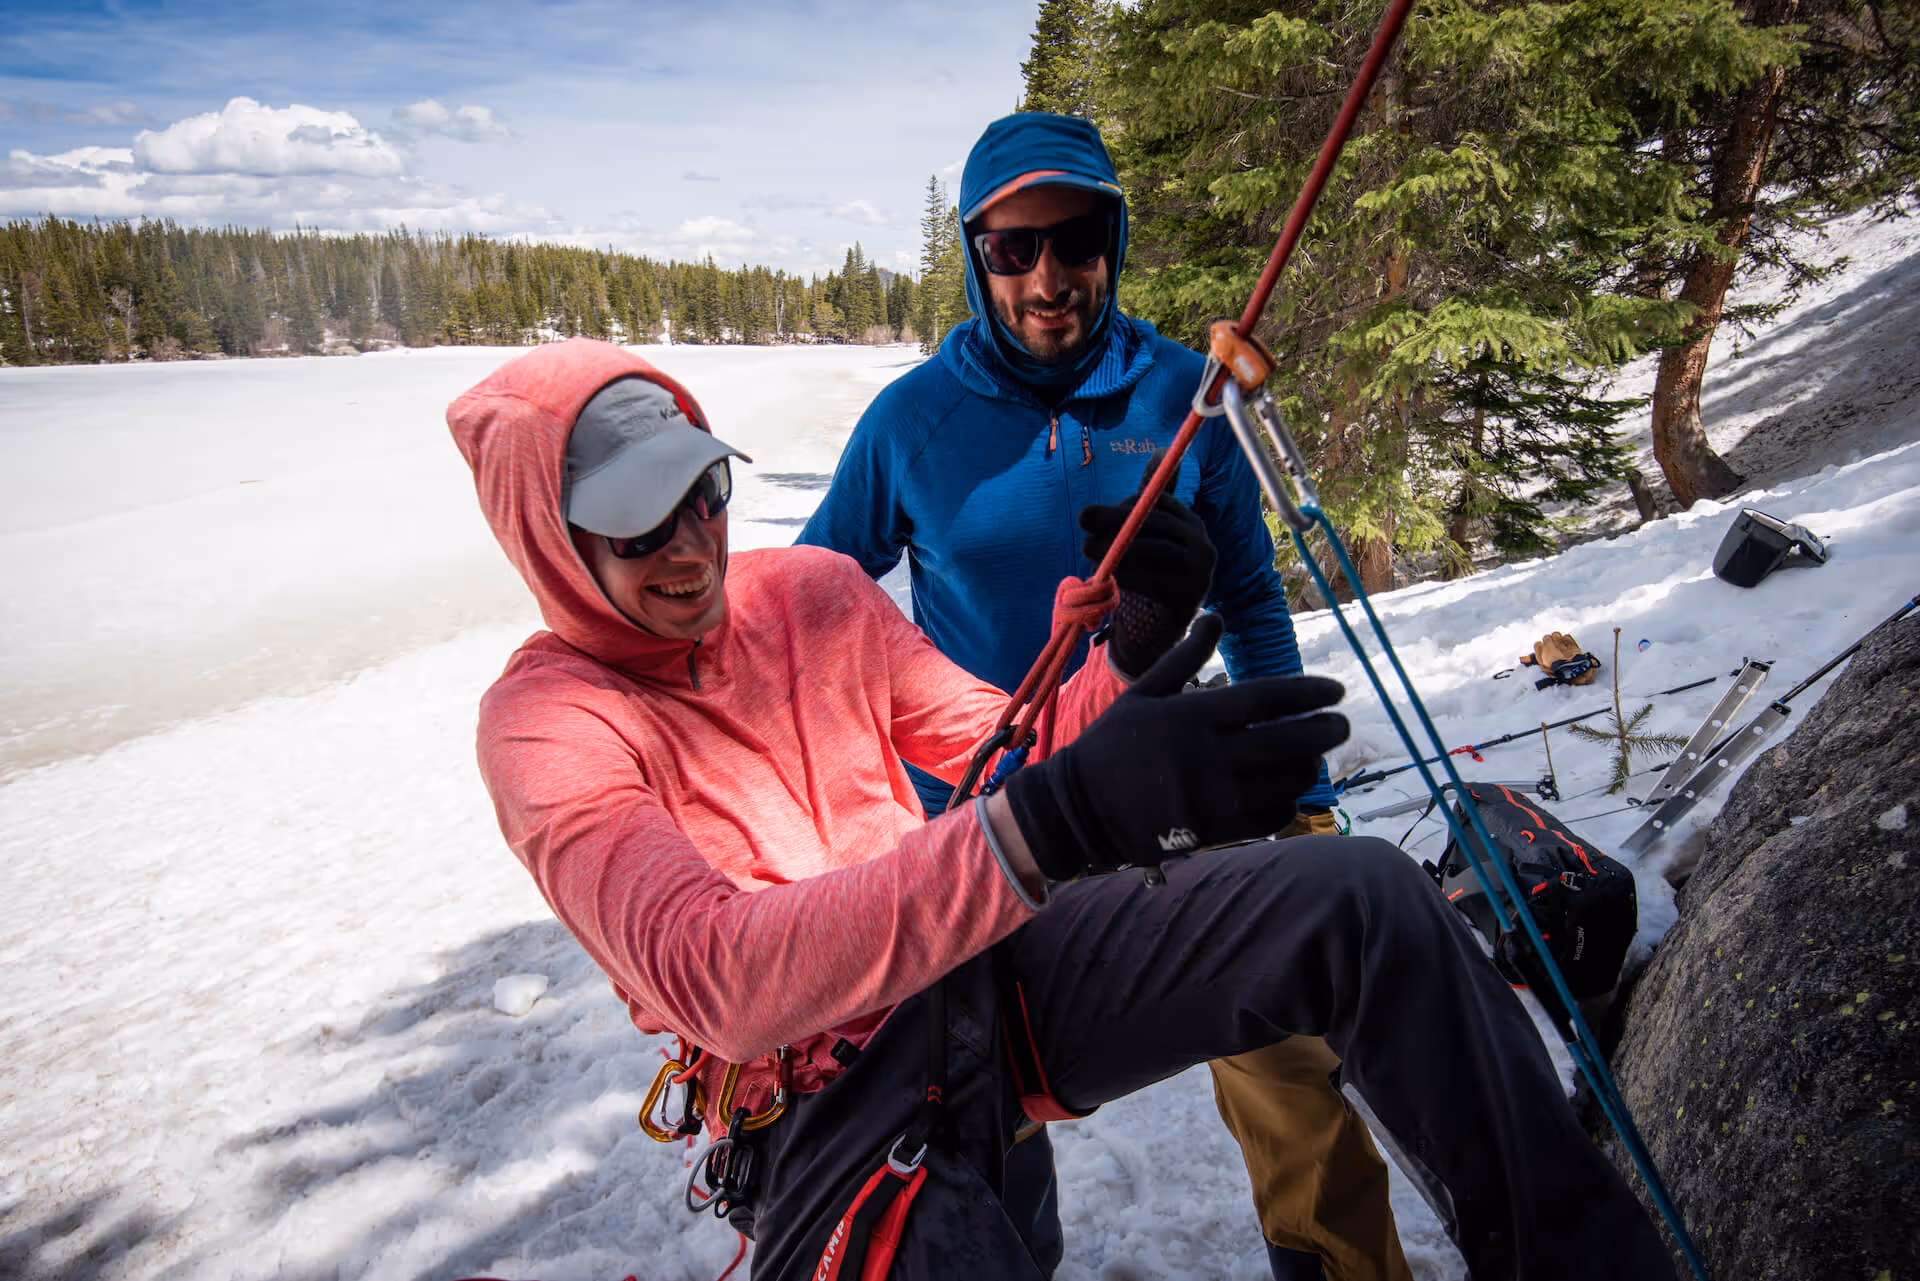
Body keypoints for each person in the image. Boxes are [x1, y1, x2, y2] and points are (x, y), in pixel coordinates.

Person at [448, 337, 1677, 1281]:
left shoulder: (811, 595)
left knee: (1359, 902)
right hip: (821, 1086)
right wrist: (1049, 829)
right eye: (636, 527)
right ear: (548, 544)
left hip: (985, 962)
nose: (690, 545)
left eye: (701, 494)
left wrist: (1133, 642)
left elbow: (1003, 746)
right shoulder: (552, 726)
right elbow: (718, 977)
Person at [797, 111, 1400, 1280]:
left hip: (1173, 774)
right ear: (977, 258)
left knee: (1293, 1067)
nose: (1047, 278)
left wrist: (1302, 785)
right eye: (1012, 250)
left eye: (1074, 239)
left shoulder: (1183, 397)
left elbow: (1256, 599)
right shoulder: (911, 424)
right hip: (989, 816)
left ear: (1112, 238)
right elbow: (815, 605)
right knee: (973, 1112)